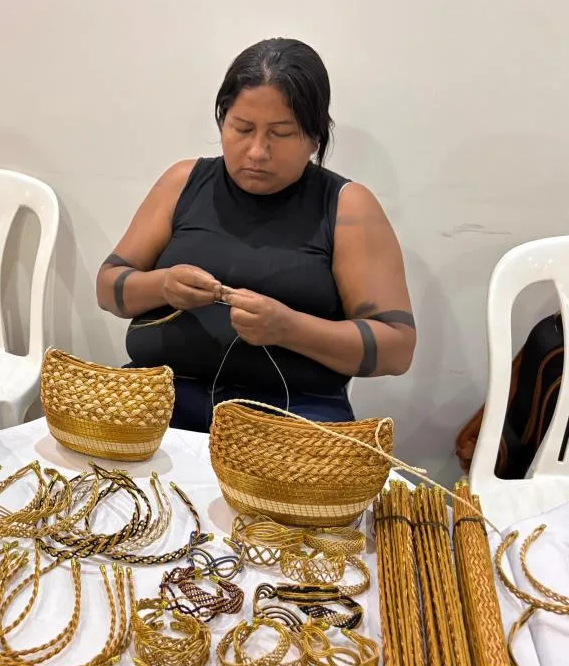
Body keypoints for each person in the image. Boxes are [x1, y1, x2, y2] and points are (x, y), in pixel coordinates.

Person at [96, 38, 416, 433]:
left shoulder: (348, 206)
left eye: (280, 133)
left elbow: (397, 349)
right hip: (159, 397)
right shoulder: (183, 181)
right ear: (222, 121)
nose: (257, 151)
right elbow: (107, 286)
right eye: (242, 128)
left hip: (292, 415)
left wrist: (289, 328)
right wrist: (162, 286)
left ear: (315, 137)